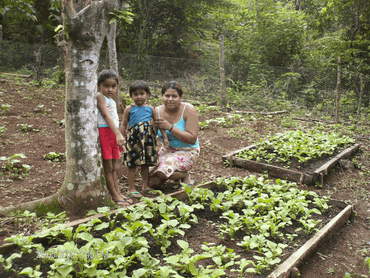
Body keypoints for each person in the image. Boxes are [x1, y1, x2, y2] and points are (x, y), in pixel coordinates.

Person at [120, 80, 169, 199]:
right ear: (131, 96)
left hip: (147, 140)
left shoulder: (151, 109)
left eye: (142, 93)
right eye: (135, 94)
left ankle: (145, 186)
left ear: (147, 94)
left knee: (145, 163)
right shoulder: (129, 109)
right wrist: (120, 137)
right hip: (133, 139)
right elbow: (124, 123)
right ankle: (131, 188)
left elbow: (158, 122)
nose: (139, 97)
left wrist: (165, 137)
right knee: (132, 163)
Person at [149, 81, 200, 188]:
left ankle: (184, 175)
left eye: (174, 96)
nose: (170, 99)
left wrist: (170, 127)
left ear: (180, 97)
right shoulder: (157, 112)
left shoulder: (188, 109)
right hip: (167, 150)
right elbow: (151, 134)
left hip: (187, 150)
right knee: (149, 174)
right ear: (162, 96)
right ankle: (174, 176)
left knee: (162, 170)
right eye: (167, 95)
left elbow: (192, 139)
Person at [97, 69, 132, 207]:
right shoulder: (100, 96)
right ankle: (114, 195)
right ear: (99, 85)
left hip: (112, 133)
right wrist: (118, 133)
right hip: (105, 132)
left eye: (113, 86)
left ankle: (118, 192)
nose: (110, 89)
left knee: (114, 166)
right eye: (106, 85)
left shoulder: (111, 99)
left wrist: (117, 134)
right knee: (108, 166)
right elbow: (106, 116)